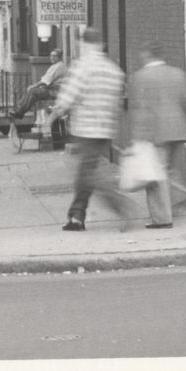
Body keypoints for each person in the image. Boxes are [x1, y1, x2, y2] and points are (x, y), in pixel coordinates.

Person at [53, 31, 137, 231]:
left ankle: (121, 206)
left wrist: (55, 114)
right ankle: (76, 217)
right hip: (106, 129)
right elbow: (119, 98)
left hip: (86, 128)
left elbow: (66, 99)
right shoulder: (113, 70)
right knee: (86, 171)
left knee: (88, 175)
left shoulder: (83, 67)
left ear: (85, 43)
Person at [125, 44, 186, 229]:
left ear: (146, 55)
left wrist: (137, 135)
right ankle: (176, 199)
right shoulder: (177, 73)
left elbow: (138, 107)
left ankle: (162, 218)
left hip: (155, 132)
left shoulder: (140, 77)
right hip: (177, 131)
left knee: (155, 175)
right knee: (170, 171)